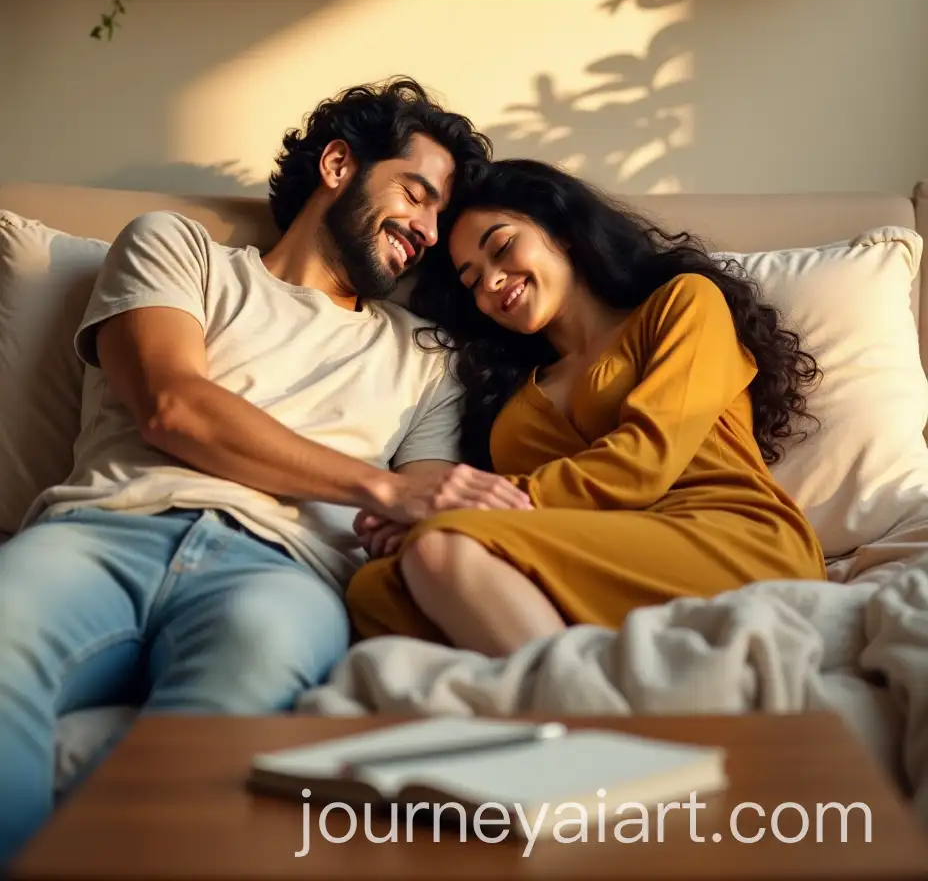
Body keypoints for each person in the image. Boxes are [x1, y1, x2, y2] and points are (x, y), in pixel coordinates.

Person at [0, 79, 535, 865]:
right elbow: (171, 405)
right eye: (415, 194)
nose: (426, 229)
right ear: (338, 164)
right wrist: (381, 487)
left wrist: (412, 512)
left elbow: (424, 509)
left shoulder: (425, 357)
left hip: (281, 573)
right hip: (106, 531)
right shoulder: (176, 250)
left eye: (438, 216)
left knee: (223, 736)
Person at [347, 158, 828, 658]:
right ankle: (584, 671)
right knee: (376, 589)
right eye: (472, 280)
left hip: (734, 536)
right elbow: (525, 526)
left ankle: (586, 706)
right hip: (603, 554)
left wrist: (454, 505)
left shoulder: (682, 303)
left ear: (564, 230)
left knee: (441, 543)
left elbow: (643, 464)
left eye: (503, 247)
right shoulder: (510, 410)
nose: (490, 282)